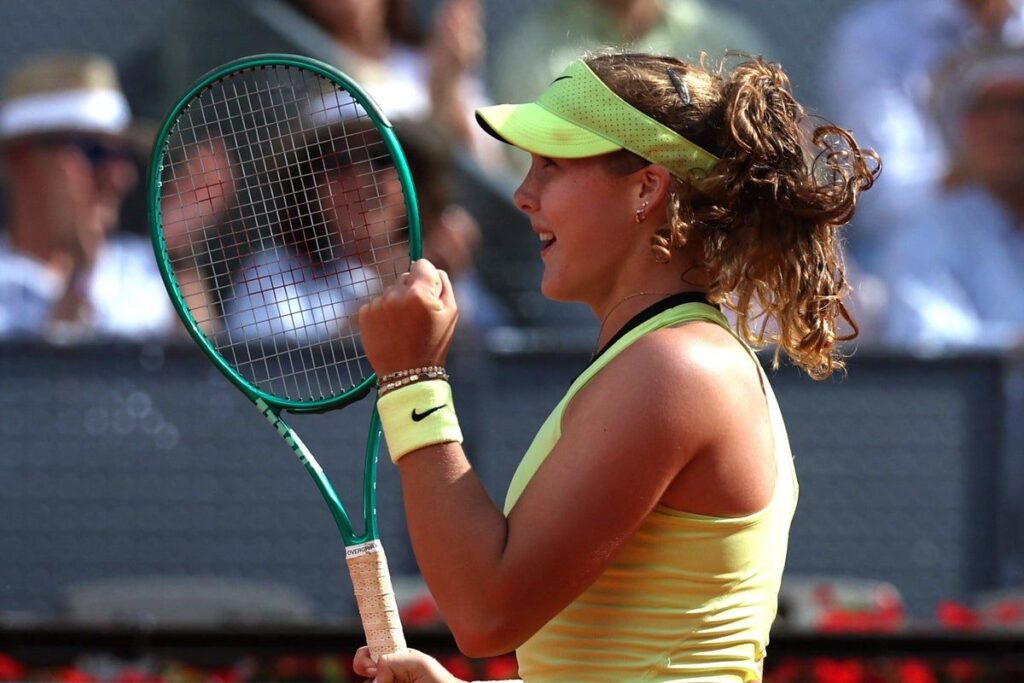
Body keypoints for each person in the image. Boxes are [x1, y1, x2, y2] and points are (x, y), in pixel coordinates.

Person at [350, 50, 879, 682]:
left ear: (646, 189)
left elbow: (486, 615)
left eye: (551, 166)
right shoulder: (668, 359)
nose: (523, 195)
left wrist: (414, 380)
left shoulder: (674, 371)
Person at [822, 0, 1024, 272]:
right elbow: (885, 199)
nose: (1008, 124)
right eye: (990, 109)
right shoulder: (874, 37)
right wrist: (981, 172)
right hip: (925, 260)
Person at [0, 53, 176, 342]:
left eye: (122, 154)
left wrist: (184, 258)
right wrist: (80, 273)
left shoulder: (144, 271)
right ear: (24, 161)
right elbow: (42, 385)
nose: (122, 176)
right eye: (95, 152)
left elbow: (198, 377)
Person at [880, 45, 1024, 348]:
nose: (1009, 125)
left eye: (1020, 106)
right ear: (962, 127)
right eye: (990, 108)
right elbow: (926, 340)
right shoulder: (926, 233)